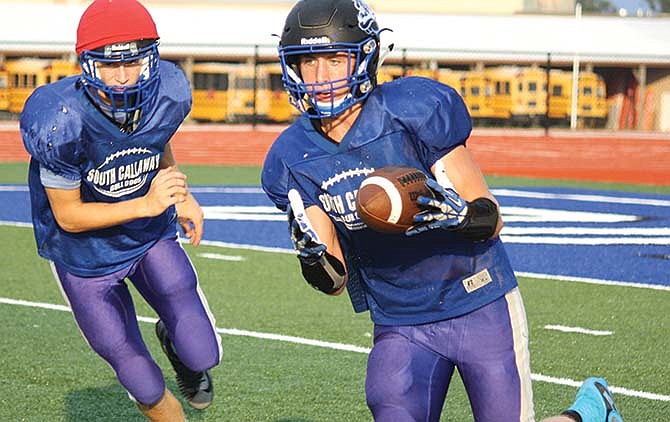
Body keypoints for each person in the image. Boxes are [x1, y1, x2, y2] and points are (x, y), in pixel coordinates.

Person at [261, 1, 624, 421]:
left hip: (477, 300)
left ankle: (588, 412)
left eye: (334, 58)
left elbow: (491, 217)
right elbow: (335, 281)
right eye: (308, 61)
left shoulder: (412, 111)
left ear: (365, 56)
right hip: (400, 320)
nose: (321, 77)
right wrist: (311, 258)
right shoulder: (293, 155)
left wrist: (461, 216)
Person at [20, 0, 222, 420]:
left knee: (203, 350)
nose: (124, 76)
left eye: (133, 62)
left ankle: (175, 344)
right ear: (85, 65)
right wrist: (147, 202)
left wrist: (179, 190)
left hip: (147, 236)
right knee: (141, 380)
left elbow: (156, 136)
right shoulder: (60, 118)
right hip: (86, 258)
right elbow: (69, 215)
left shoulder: (167, 91)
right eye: (110, 65)